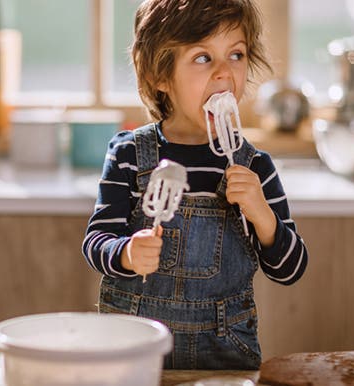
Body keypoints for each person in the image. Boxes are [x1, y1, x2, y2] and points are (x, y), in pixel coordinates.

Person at [81, 0, 308, 370]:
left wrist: (263, 217)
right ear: (160, 76)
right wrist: (126, 252)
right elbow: (95, 242)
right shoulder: (128, 155)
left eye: (236, 54)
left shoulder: (255, 167)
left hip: (225, 355)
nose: (224, 73)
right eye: (203, 58)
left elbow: (291, 268)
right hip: (132, 349)